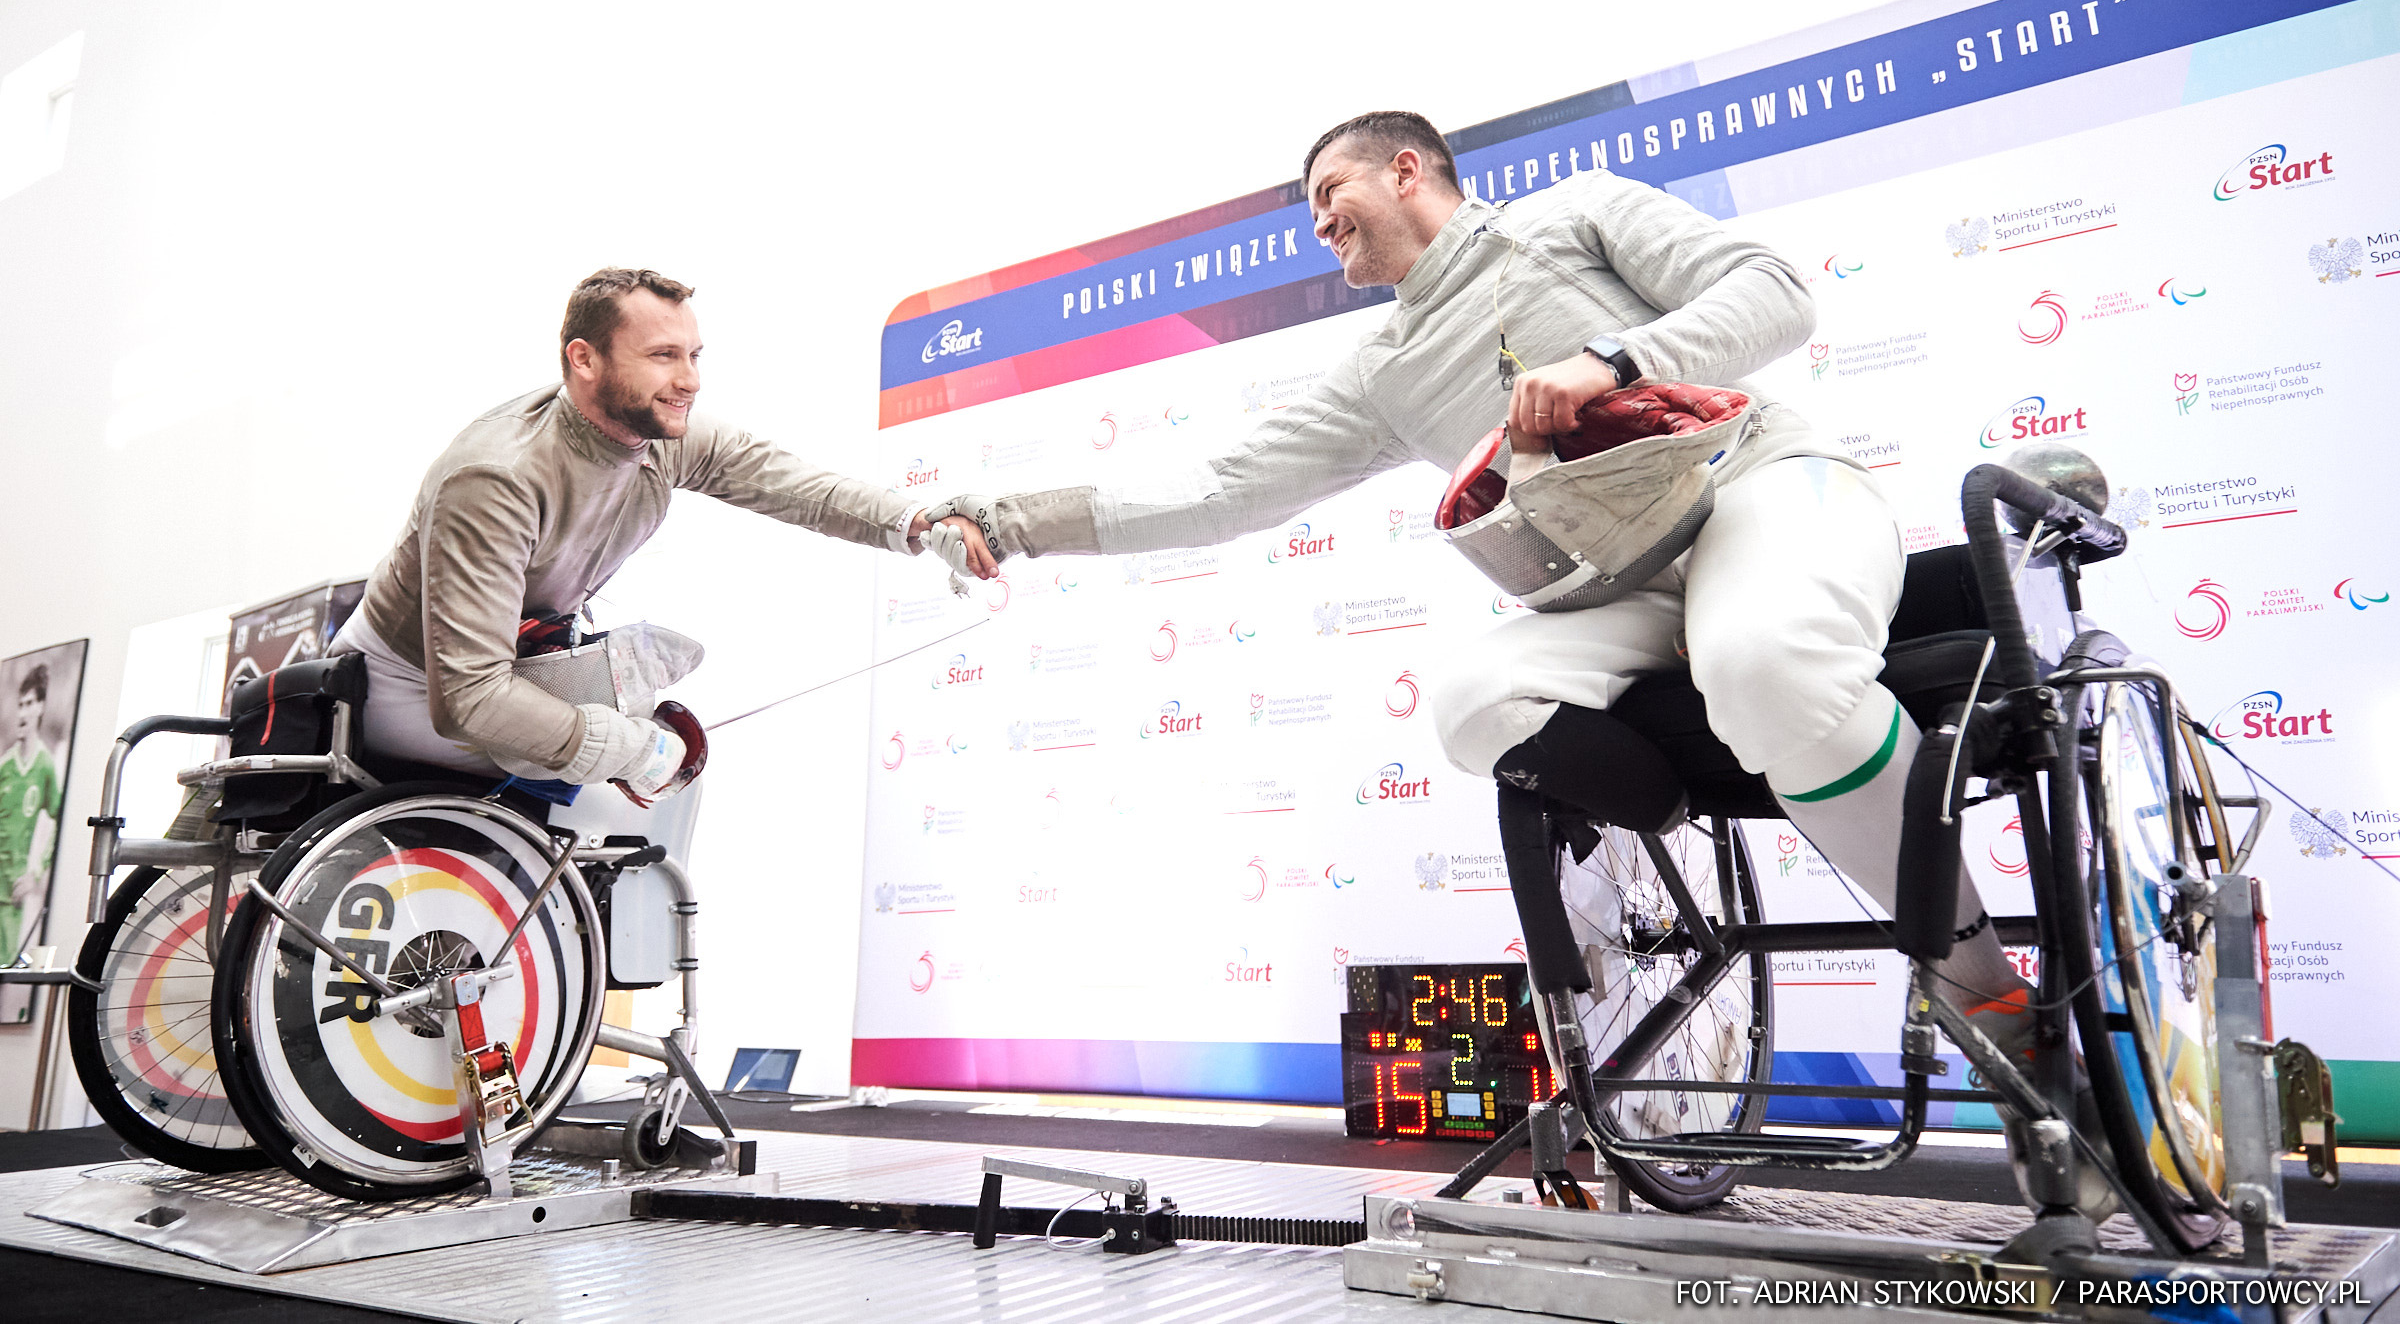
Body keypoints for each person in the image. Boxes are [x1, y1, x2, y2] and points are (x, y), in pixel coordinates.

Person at [939, 110, 2037, 1052]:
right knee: (1476, 706)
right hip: (1628, 591)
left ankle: (1980, 985)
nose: (1319, 223)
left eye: (1330, 192)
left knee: (1761, 659)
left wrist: (1612, 361)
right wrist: (1009, 522)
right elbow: (1221, 486)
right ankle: (1681, 827)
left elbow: (1778, 293)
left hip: (1760, 483)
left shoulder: (1575, 213)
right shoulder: (1382, 372)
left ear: (1406, 169)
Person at [331, 268, 994, 802]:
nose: (689, 380)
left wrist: (921, 524)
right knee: (613, 801)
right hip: (407, 683)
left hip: (516, 662)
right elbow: (469, 698)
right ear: (584, 359)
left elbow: (796, 486)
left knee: (653, 789)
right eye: (662, 356)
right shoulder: (496, 478)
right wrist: (626, 750)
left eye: (694, 356)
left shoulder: (658, 435)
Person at [0, 664, 63, 968]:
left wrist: (36, 873)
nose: (22, 712)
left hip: (11, 893)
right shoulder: (5, 765)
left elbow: (58, 820)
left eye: (28, 704)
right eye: (20, 705)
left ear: (40, 707)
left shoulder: (45, 766)